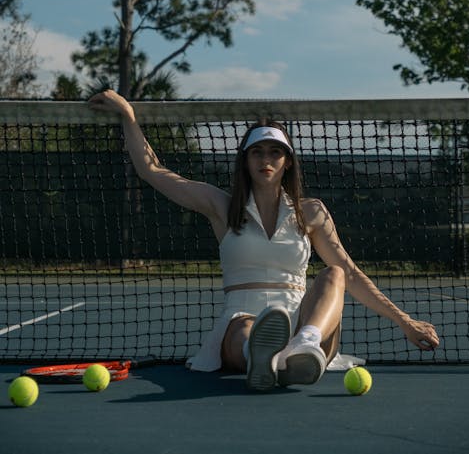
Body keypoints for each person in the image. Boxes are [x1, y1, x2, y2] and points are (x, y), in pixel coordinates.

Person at [89, 90, 440, 391]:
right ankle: (264, 360)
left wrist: (404, 321)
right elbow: (154, 172)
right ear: (245, 160)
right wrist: (129, 116)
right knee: (245, 330)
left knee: (334, 274)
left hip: (308, 322)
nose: (266, 159)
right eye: (258, 152)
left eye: (275, 152)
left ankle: (301, 347)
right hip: (242, 317)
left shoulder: (312, 211)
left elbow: (350, 272)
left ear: (288, 162)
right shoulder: (221, 206)